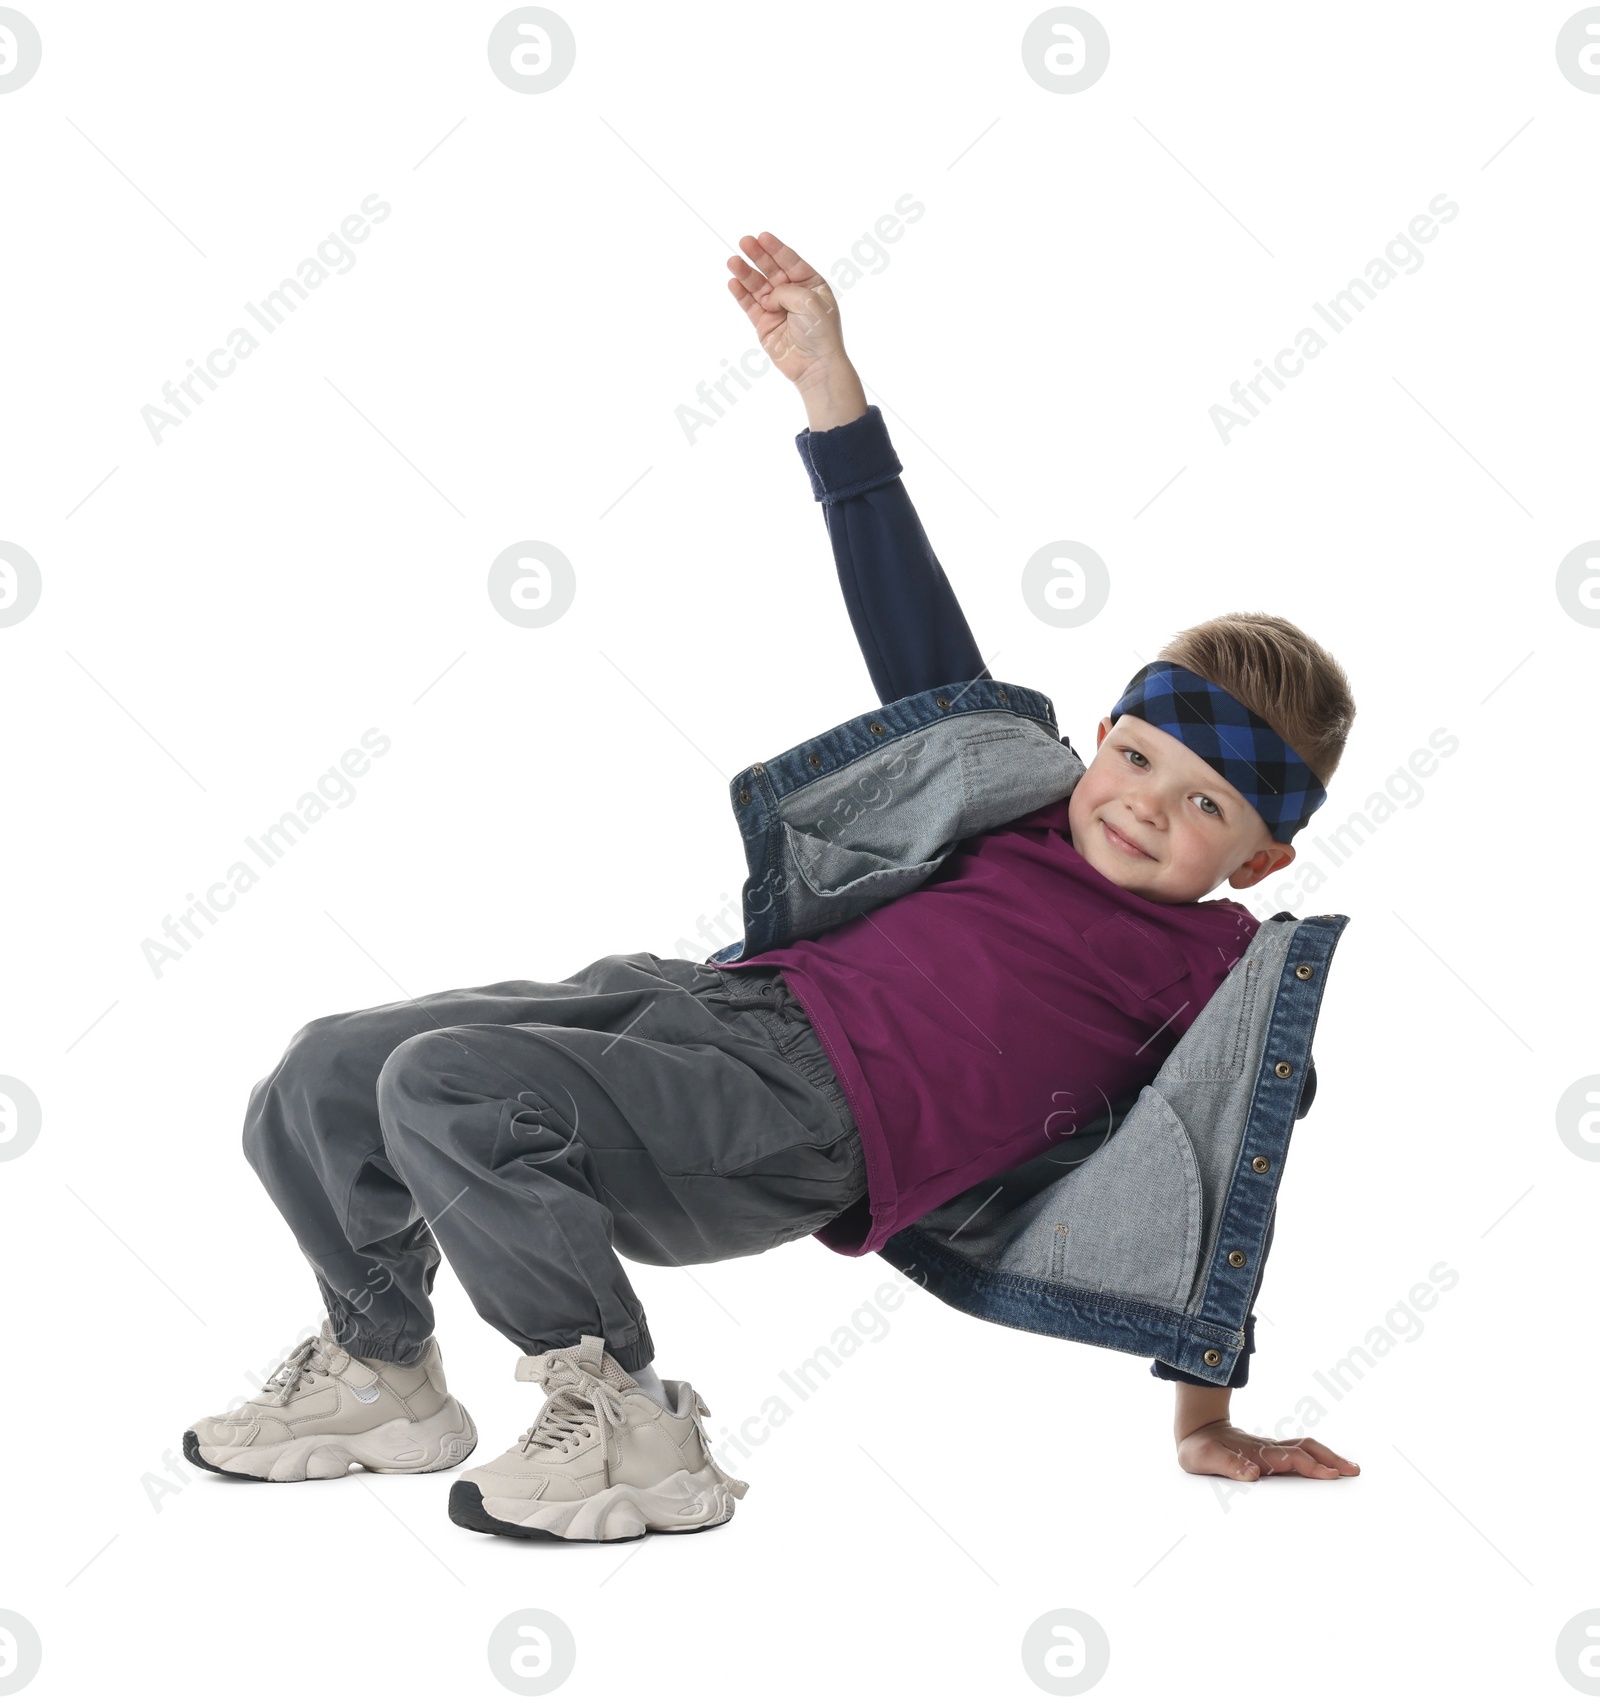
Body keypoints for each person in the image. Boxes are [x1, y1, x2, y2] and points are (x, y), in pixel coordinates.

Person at [182, 230, 1360, 1543]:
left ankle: (625, 1417)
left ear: (1261, 858)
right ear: (1099, 737)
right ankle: (383, 1367)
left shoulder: (1210, 971)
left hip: (811, 1121)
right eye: (1137, 756)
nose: (1144, 802)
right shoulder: (1020, 796)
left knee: (447, 1087)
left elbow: (1221, 1172)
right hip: (710, 1002)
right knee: (327, 1072)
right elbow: (913, 633)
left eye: (1205, 803)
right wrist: (827, 390)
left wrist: (1204, 1418)